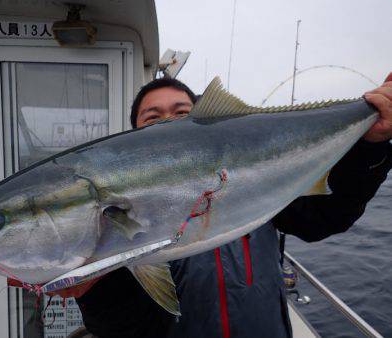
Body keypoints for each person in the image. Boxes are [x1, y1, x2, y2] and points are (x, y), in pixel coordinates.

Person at [65, 75, 392, 338]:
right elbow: (128, 330)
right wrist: (92, 292)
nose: (169, 122)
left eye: (183, 113)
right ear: (134, 137)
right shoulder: (120, 227)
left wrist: (371, 146)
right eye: (153, 118)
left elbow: (325, 219)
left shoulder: (253, 181)